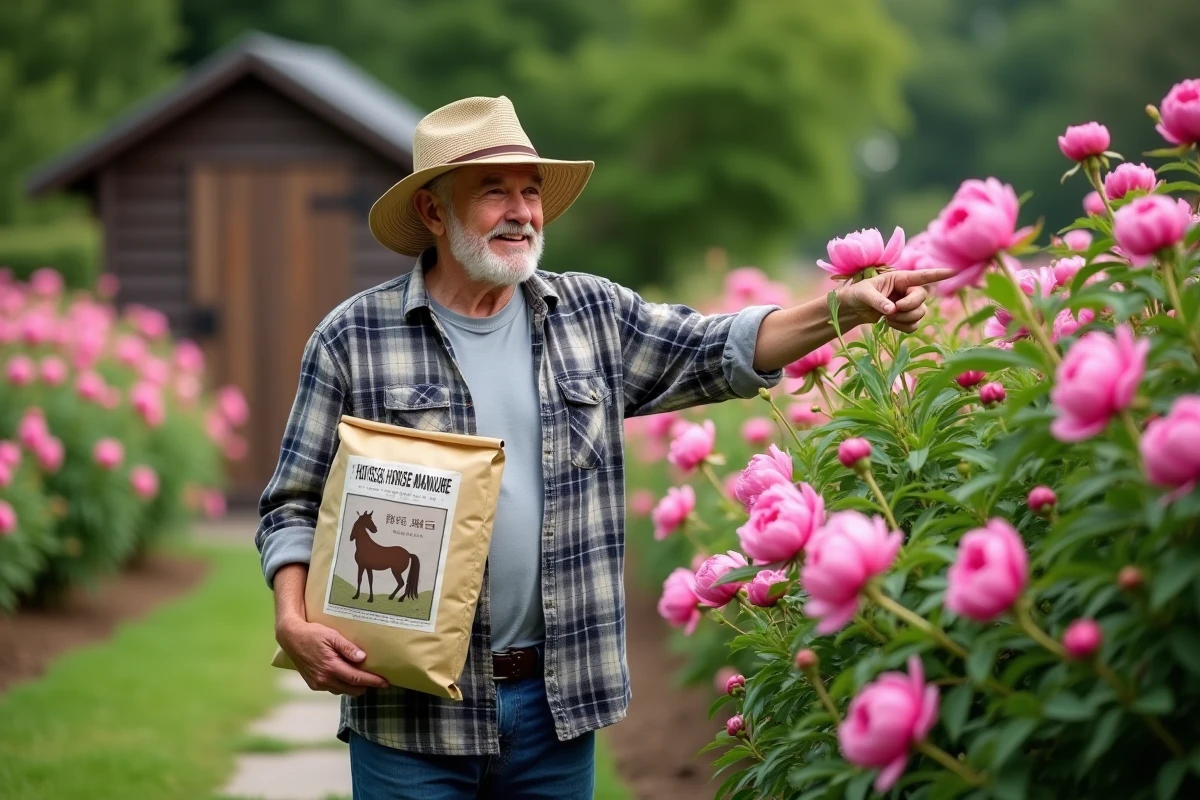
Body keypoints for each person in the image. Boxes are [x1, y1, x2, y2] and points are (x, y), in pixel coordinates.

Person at [256, 96, 949, 799]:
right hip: (409, 716)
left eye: (531, 192)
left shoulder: (592, 317)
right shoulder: (353, 338)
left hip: (555, 706)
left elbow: (718, 345)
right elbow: (292, 504)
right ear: (435, 214)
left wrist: (846, 307)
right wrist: (293, 620)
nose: (522, 211)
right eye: (494, 192)